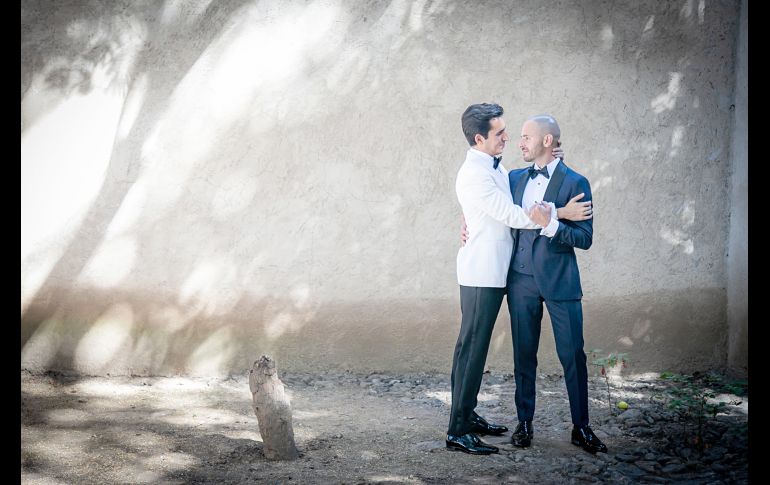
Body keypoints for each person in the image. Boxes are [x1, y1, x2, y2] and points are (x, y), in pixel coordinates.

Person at [447, 104, 592, 455]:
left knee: (474, 349)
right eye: (501, 133)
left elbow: (501, 203)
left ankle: (468, 414)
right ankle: (457, 429)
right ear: (479, 138)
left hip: (503, 272)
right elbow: (509, 213)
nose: (509, 139)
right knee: (472, 348)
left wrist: (549, 152)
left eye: (515, 133)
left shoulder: (501, 170)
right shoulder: (477, 174)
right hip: (484, 270)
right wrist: (560, 212)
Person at [505, 114, 607, 454]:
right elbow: (488, 205)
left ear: (547, 141)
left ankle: (581, 427)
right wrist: (465, 221)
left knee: (572, 355)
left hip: (561, 281)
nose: (520, 143)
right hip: (520, 280)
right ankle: (524, 422)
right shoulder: (514, 178)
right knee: (523, 353)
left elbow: (585, 238)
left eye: (526, 137)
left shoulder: (576, 182)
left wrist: (551, 225)